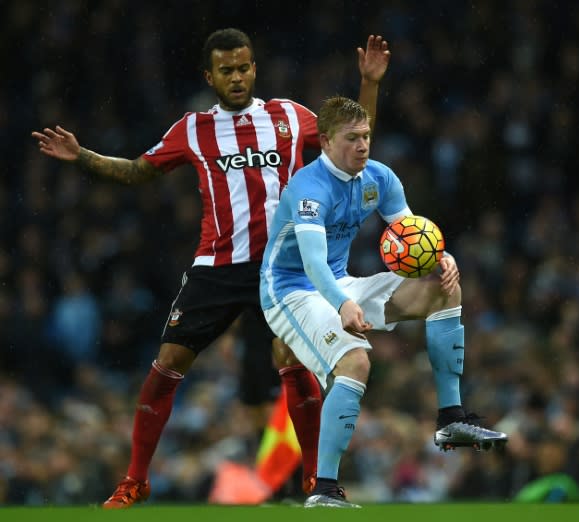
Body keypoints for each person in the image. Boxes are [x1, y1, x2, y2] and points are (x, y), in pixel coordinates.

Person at [31, 28, 391, 508]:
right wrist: (83, 157)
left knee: (289, 359)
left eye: (244, 67)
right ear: (211, 76)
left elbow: (352, 142)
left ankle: (313, 480)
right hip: (217, 267)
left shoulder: (289, 116)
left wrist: (369, 83)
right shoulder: (193, 129)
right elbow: (140, 171)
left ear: (254, 68)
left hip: (280, 269)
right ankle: (135, 480)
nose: (237, 77)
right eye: (227, 70)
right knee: (169, 363)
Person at [260, 96, 508, 508]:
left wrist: (441, 257)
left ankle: (451, 419)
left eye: (367, 136)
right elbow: (312, 261)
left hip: (340, 282)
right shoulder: (309, 187)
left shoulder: (379, 177)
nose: (363, 145)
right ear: (325, 141)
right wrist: (341, 304)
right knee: (356, 362)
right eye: (352, 138)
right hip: (290, 290)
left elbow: (412, 234)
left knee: (444, 287)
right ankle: (323, 490)